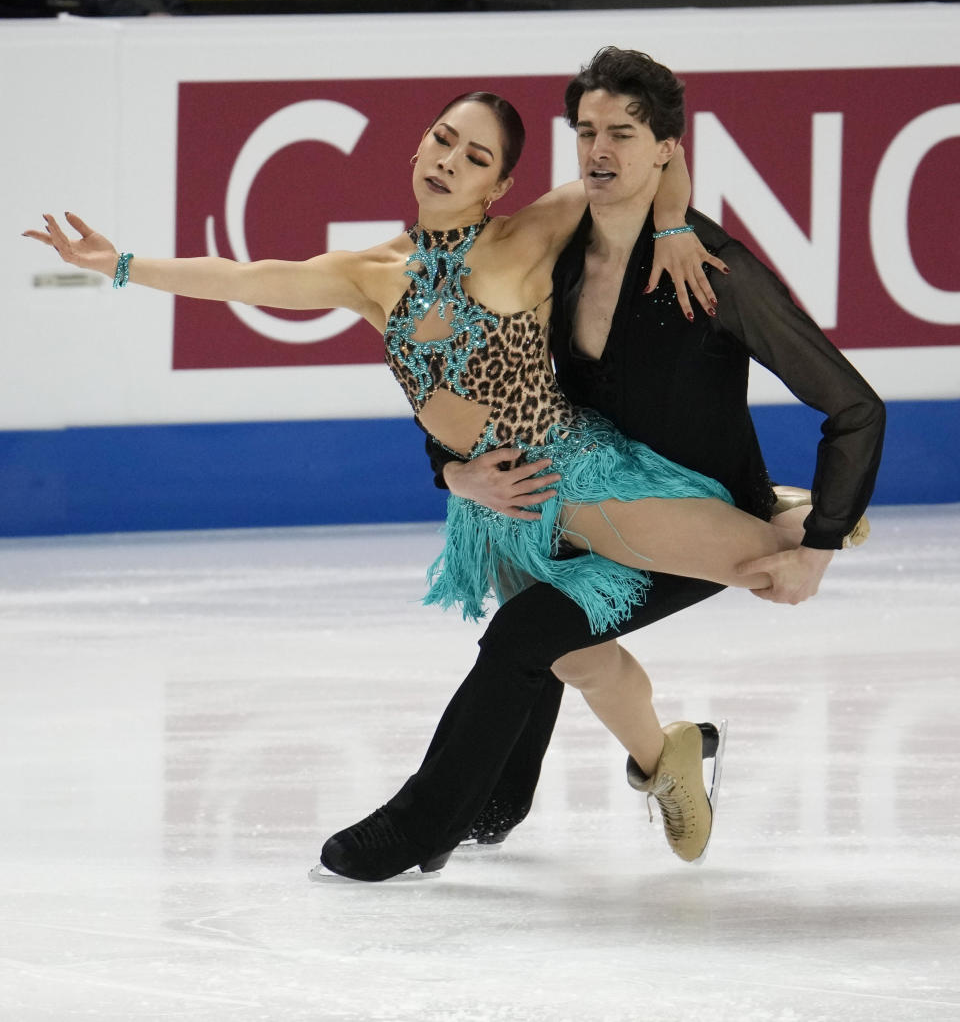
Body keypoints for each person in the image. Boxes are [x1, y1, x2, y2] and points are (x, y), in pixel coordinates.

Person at [23, 65, 876, 878]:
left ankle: (798, 511)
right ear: (416, 149)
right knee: (576, 659)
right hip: (491, 511)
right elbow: (245, 277)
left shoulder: (529, 236)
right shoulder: (367, 275)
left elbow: (658, 158)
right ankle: (668, 757)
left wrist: (677, 226)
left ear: (497, 186)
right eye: (442, 141)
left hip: (573, 477)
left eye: (476, 158)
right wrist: (120, 266)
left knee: (764, 563)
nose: (449, 161)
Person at [316, 48, 885, 882]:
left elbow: (856, 406)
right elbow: (470, 372)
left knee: (526, 632)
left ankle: (419, 826)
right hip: (586, 484)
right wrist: (451, 468)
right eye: (586, 131)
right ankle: (569, 781)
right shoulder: (561, 250)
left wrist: (822, 544)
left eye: (623, 132)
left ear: (665, 149)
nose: (599, 149)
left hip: (687, 519)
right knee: (562, 645)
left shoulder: (713, 273)